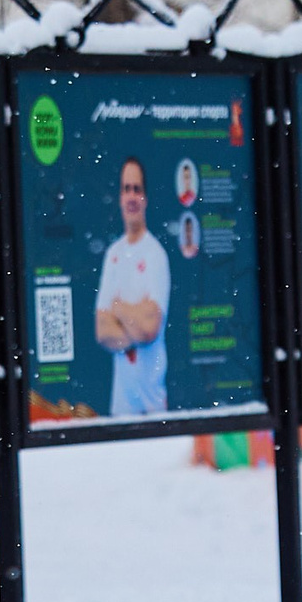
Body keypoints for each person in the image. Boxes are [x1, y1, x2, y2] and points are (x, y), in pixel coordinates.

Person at [95, 155, 170, 416]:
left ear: (145, 199)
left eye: (136, 189)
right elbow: (102, 330)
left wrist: (118, 308)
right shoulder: (113, 255)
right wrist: (134, 318)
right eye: (126, 189)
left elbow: (149, 329)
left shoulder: (155, 255)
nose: (131, 196)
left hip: (153, 408)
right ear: (119, 198)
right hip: (120, 409)